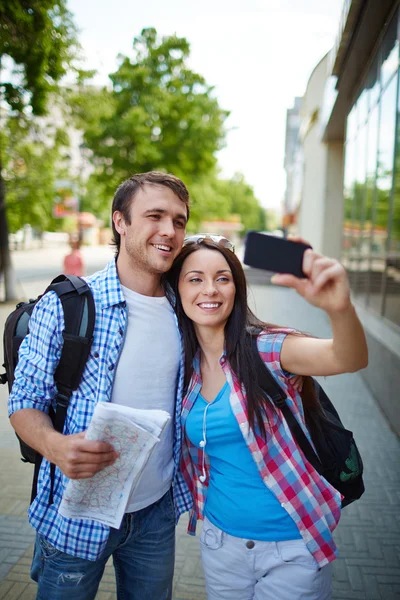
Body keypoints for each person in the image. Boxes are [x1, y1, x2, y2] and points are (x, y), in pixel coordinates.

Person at [8, 171, 193, 600]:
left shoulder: (185, 307)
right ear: (120, 222)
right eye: (155, 216)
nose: (169, 230)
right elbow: (23, 402)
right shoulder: (67, 303)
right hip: (77, 512)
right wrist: (55, 447)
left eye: (179, 221)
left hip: (156, 511)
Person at [165, 234, 368, 600]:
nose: (209, 289)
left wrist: (340, 309)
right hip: (219, 541)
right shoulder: (184, 368)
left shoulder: (268, 349)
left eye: (222, 278)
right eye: (194, 278)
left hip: (291, 547)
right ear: (177, 290)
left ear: (236, 289)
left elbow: (347, 357)